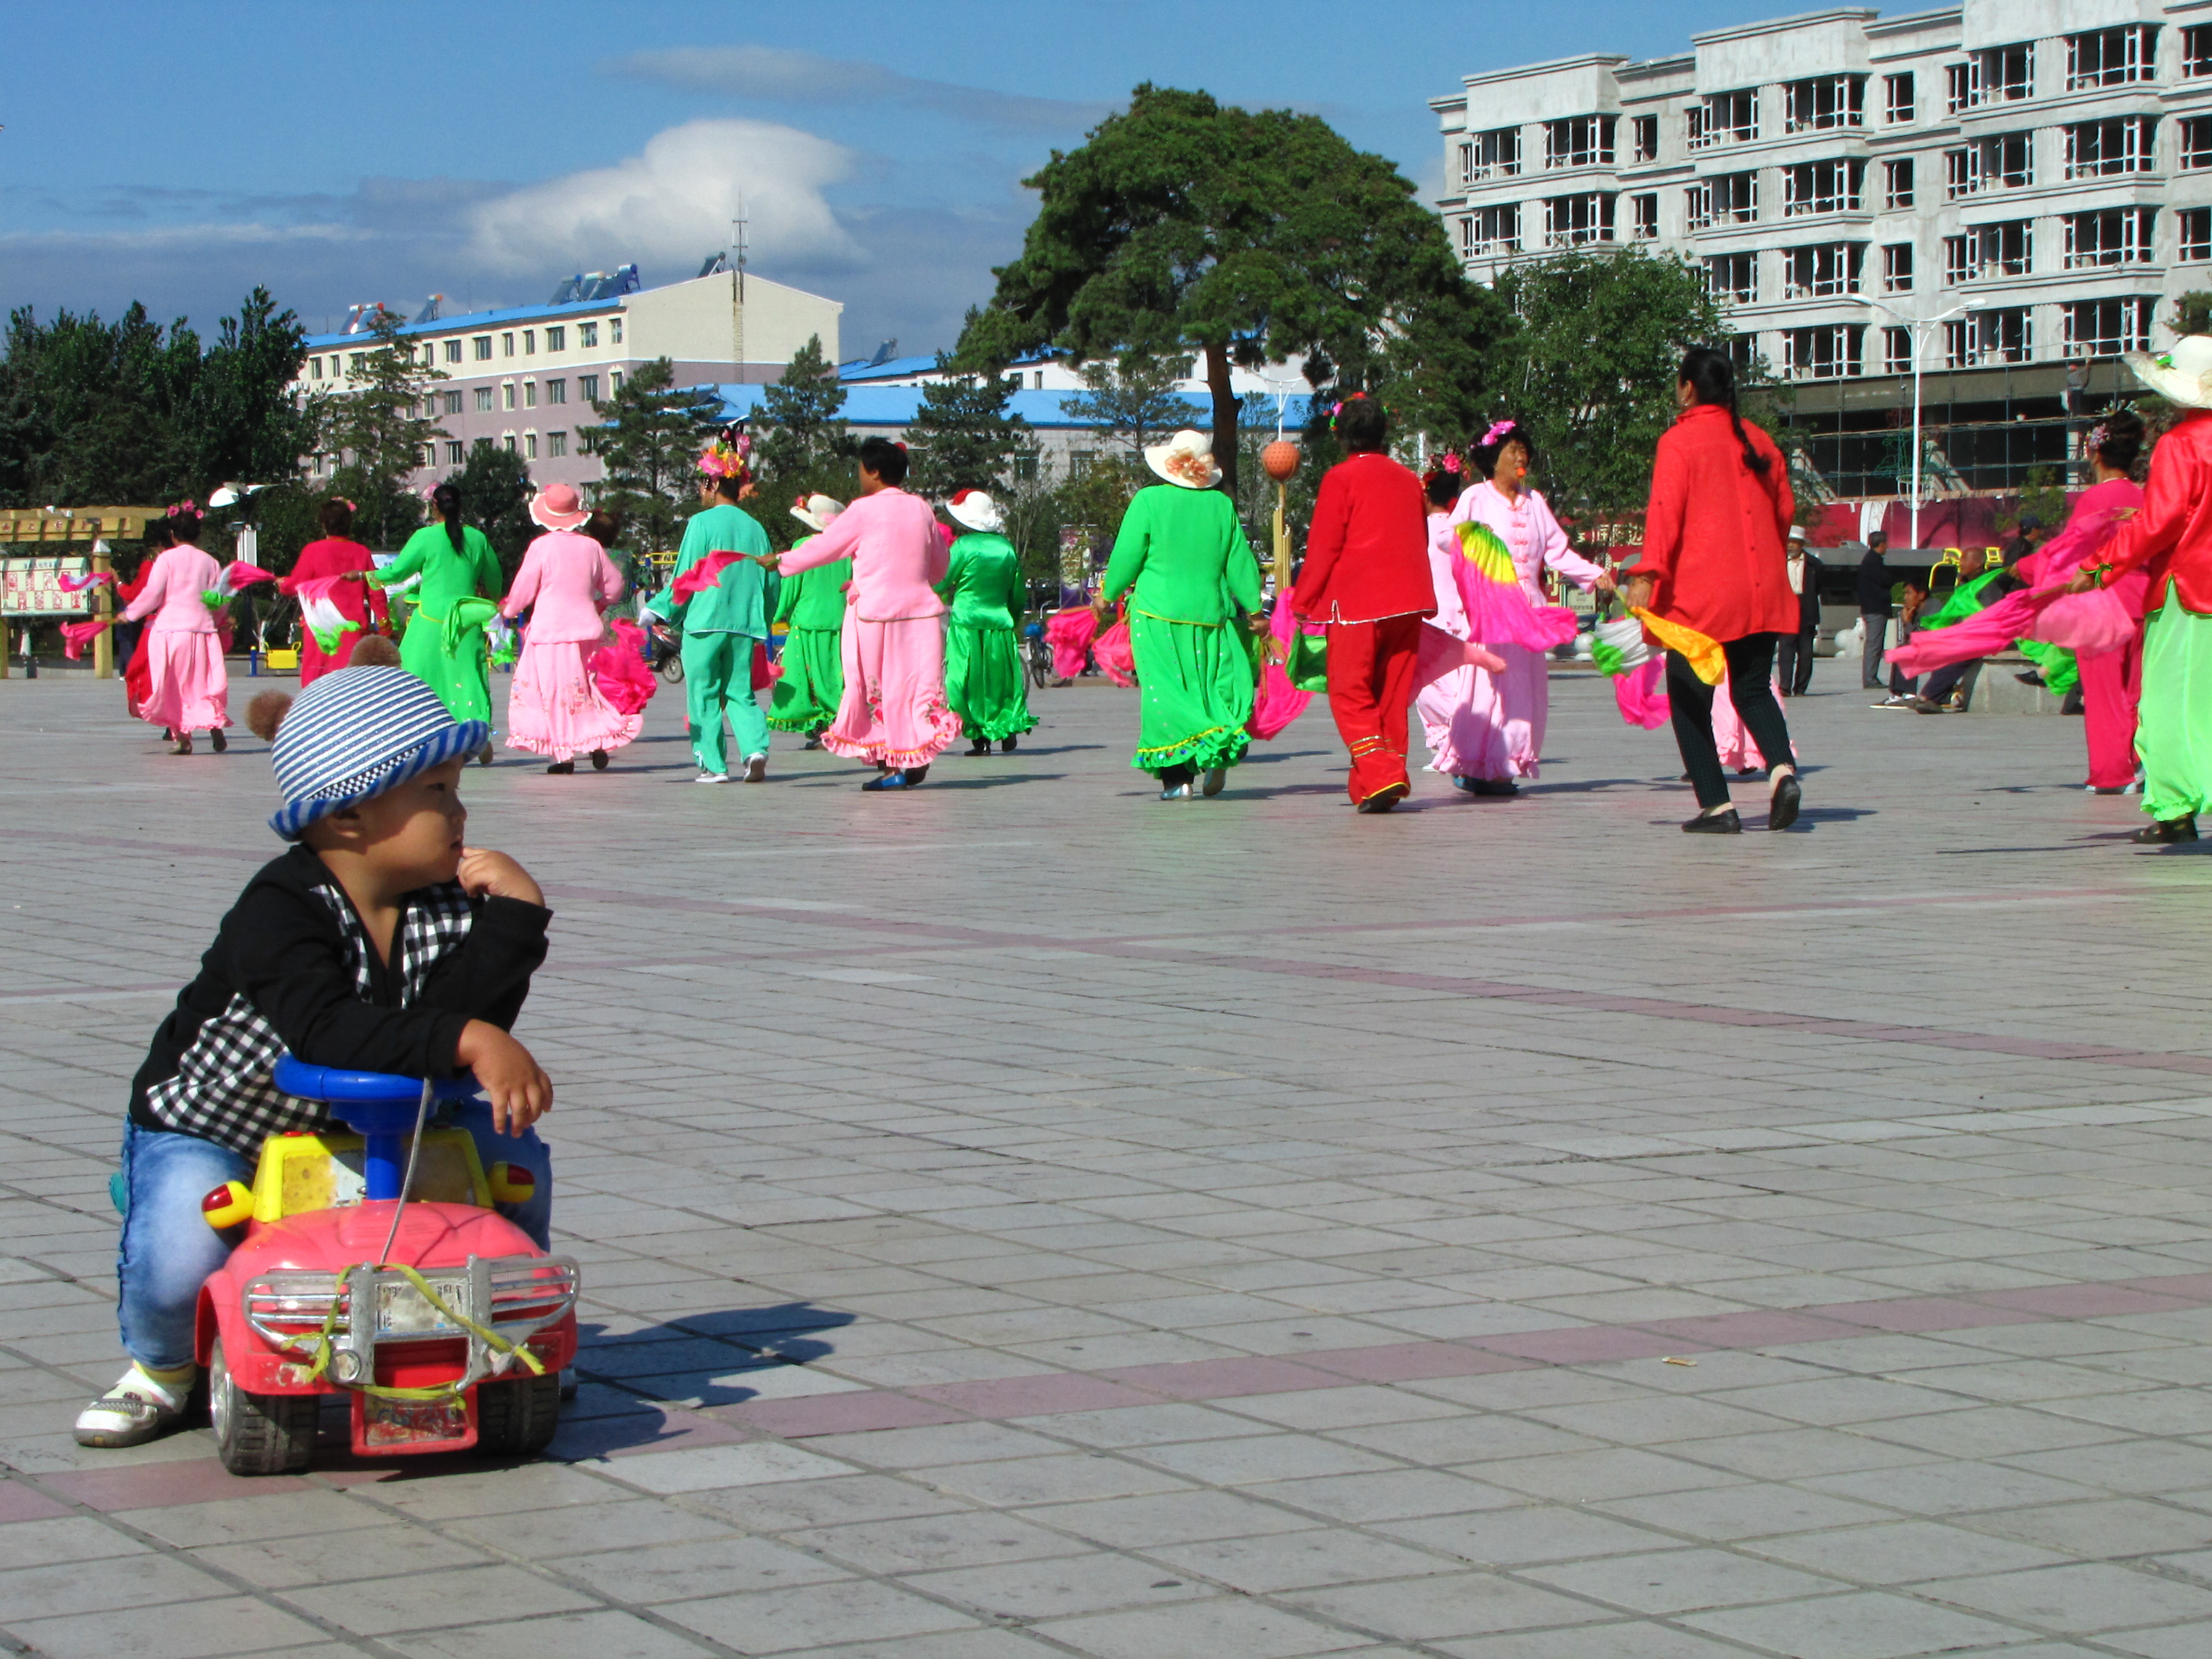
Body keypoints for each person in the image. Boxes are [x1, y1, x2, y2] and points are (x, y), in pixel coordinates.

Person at [72, 664, 554, 1448]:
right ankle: (162, 1370)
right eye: (436, 793)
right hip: (221, 1124)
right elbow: (324, 1028)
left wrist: (514, 923)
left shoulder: (440, 903)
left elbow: (461, 1018)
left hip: (388, 1122)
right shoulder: (279, 909)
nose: (460, 812)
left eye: (457, 788)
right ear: (353, 815)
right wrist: (467, 1039)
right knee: (182, 1242)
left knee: (510, 1161)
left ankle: (511, 1336)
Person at [1626, 346, 1800, 833]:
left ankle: (1717, 806)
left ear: (1687, 387)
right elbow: (1784, 513)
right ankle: (1782, 771)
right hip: (1761, 588)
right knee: (1752, 690)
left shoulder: (1679, 442)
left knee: (1689, 700)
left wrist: (1647, 573)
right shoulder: (1760, 441)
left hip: (1699, 598)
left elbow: (1666, 514)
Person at [2072, 342, 2212, 841]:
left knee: (2169, 702)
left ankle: (2174, 810)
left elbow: (2162, 520)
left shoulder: (2182, 443)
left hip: (2190, 589)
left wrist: (2100, 565)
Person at [1443, 417, 1614, 796]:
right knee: (1488, 687)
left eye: (1525, 451)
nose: (1521, 457)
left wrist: (1593, 573)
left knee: (1523, 689)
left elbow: (1556, 551)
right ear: (1494, 458)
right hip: (1491, 609)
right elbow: (1446, 538)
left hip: (1529, 611)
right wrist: (1475, 537)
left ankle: (1506, 765)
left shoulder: (1535, 502)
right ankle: (1479, 763)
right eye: (1512, 450)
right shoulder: (1476, 497)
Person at [779, 436, 960, 789]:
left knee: (876, 690)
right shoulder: (921, 508)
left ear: (874, 472)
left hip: (874, 618)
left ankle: (892, 768)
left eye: (861, 469)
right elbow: (939, 566)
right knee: (918, 689)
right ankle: (917, 753)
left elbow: (825, 546)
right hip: (919, 617)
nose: (859, 476)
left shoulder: (862, 509)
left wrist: (781, 561)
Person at [1289, 399, 1438, 811]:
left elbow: (1325, 546)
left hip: (1357, 601)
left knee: (1349, 689)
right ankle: (1376, 781)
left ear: (1341, 436)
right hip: (1408, 600)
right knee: (1390, 691)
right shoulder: (1409, 479)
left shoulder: (1341, 478)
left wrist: (1304, 599)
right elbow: (1417, 538)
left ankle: (1381, 772)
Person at [1099, 429, 1263, 799]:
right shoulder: (1221, 506)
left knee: (1167, 694)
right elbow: (1240, 562)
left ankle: (1177, 780)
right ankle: (1219, 744)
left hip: (1158, 615)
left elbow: (1127, 555)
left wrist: (1106, 595)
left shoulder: (1149, 501)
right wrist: (1254, 610)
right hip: (1210, 616)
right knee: (1208, 690)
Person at [644, 430, 778, 784]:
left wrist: (661, 609)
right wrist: (763, 618)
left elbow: (686, 574)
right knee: (740, 692)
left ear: (712, 484)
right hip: (744, 624)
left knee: (702, 693)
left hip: (704, 622)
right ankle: (754, 749)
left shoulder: (700, 523)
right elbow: (771, 578)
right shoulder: (756, 528)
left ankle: (713, 765)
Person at [500, 483, 639, 774]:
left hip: (550, 631)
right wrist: (599, 604)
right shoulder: (591, 546)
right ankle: (596, 741)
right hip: (587, 628)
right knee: (583, 688)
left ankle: (562, 756)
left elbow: (524, 588)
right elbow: (614, 585)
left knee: (553, 692)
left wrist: (510, 609)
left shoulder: (541, 547)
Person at [370, 482, 504, 760]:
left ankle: (416, 735)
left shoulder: (425, 537)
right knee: (469, 677)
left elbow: (397, 572)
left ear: (434, 507)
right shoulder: (478, 539)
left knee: (414, 676)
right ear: (461, 506)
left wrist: (366, 577)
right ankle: (480, 737)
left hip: (428, 622)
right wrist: (489, 595)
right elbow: (495, 580)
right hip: (464, 623)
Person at [2057, 413, 2149, 791]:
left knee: (2103, 692)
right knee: (2138, 690)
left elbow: (2071, 555)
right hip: (2144, 601)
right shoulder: (2146, 497)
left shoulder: (2092, 499)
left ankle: (2112, 771)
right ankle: (2140, 761)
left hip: (2101, 604)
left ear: (2095, 452)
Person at [119, 503, 229, 756]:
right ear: (198, 534)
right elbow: (219, 600)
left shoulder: (166, 559)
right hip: (202, 632)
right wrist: (219, 621)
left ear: (173, 534)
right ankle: (214, 722)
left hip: (170, 631)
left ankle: (182, 738)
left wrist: (130, 614)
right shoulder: (210, 562)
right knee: (203, 682)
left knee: (173, 685)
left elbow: (153, 594)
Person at [938, 489, 1038, 756]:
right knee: (1000, 681)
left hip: (967, 622)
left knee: (964, 680)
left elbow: (942, 581)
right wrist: (1013, 619)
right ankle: (1006, 727)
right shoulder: (1006, 548)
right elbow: (1017, 593)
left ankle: (979, 738)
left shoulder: (962, 547)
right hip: (999, 622)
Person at [1415, 459, 1491, 791]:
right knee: (1458, 686)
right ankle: (1458, 743)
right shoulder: (1465, 531)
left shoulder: (1423, 530)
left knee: (1429, 686)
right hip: (1462, 616)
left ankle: (1455, 742)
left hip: (1433, 619)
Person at [766, 494, 849, 749]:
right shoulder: (846, 549)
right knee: (836, 676)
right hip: (840, 622)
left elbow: (789, 588)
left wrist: (773, 615)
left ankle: (816, 726)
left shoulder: (802, 546)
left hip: (807, 622)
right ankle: (839, 723)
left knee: (806, 678)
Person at [278, 496, 386, 686]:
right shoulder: (362, 552)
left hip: (321, 634)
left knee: (316, 688)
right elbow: (376, 591)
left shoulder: (313, 551)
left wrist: (282, 584)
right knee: (352, 688)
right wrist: (385, 627)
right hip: (352, 633)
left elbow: (295, 585)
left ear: (323, 524)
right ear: (349, 523)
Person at [114, 521, 172, 727]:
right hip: (192, 627)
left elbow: (142, 595)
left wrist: (119, 586)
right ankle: (211, 724)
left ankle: (165, 718)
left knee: (145, 673)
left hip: (156, 626)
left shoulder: (155, 565)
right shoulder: (201, 560)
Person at [1777, 525, 1823, 697]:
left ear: (1801, 544)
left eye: (1795, 543)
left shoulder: (1814, 565)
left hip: (1807, 611)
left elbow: (1819, 586)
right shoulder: (1779, 562)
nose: (1791, 546)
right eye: (1788, 542)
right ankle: (1785, 686)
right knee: (1786, 652)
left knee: (1806, 653)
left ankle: (1801, 687)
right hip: (1786, 609)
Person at [1873, 574, 1931, 708]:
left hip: (1941, 646)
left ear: (1921, 595)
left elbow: (1923, 637)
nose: (1905, 597)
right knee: (1902, 648)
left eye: (1909, 593)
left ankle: (1909, 693)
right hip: (1926, 645)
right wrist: (1907, 622)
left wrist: (1907, 623)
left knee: (1908, 649)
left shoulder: (1931, 608)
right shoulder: (1915, 610)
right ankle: (1897, 694)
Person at [1856, 529, 1894, 690]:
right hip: (1875, 609)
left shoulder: (1870, 560)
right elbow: (1885, 580)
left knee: (1874, 643)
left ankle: (1871, 676)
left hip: (1872, 608)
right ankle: (1870, 678)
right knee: (1874, 644)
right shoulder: (1874, 561)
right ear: (1882, 544)